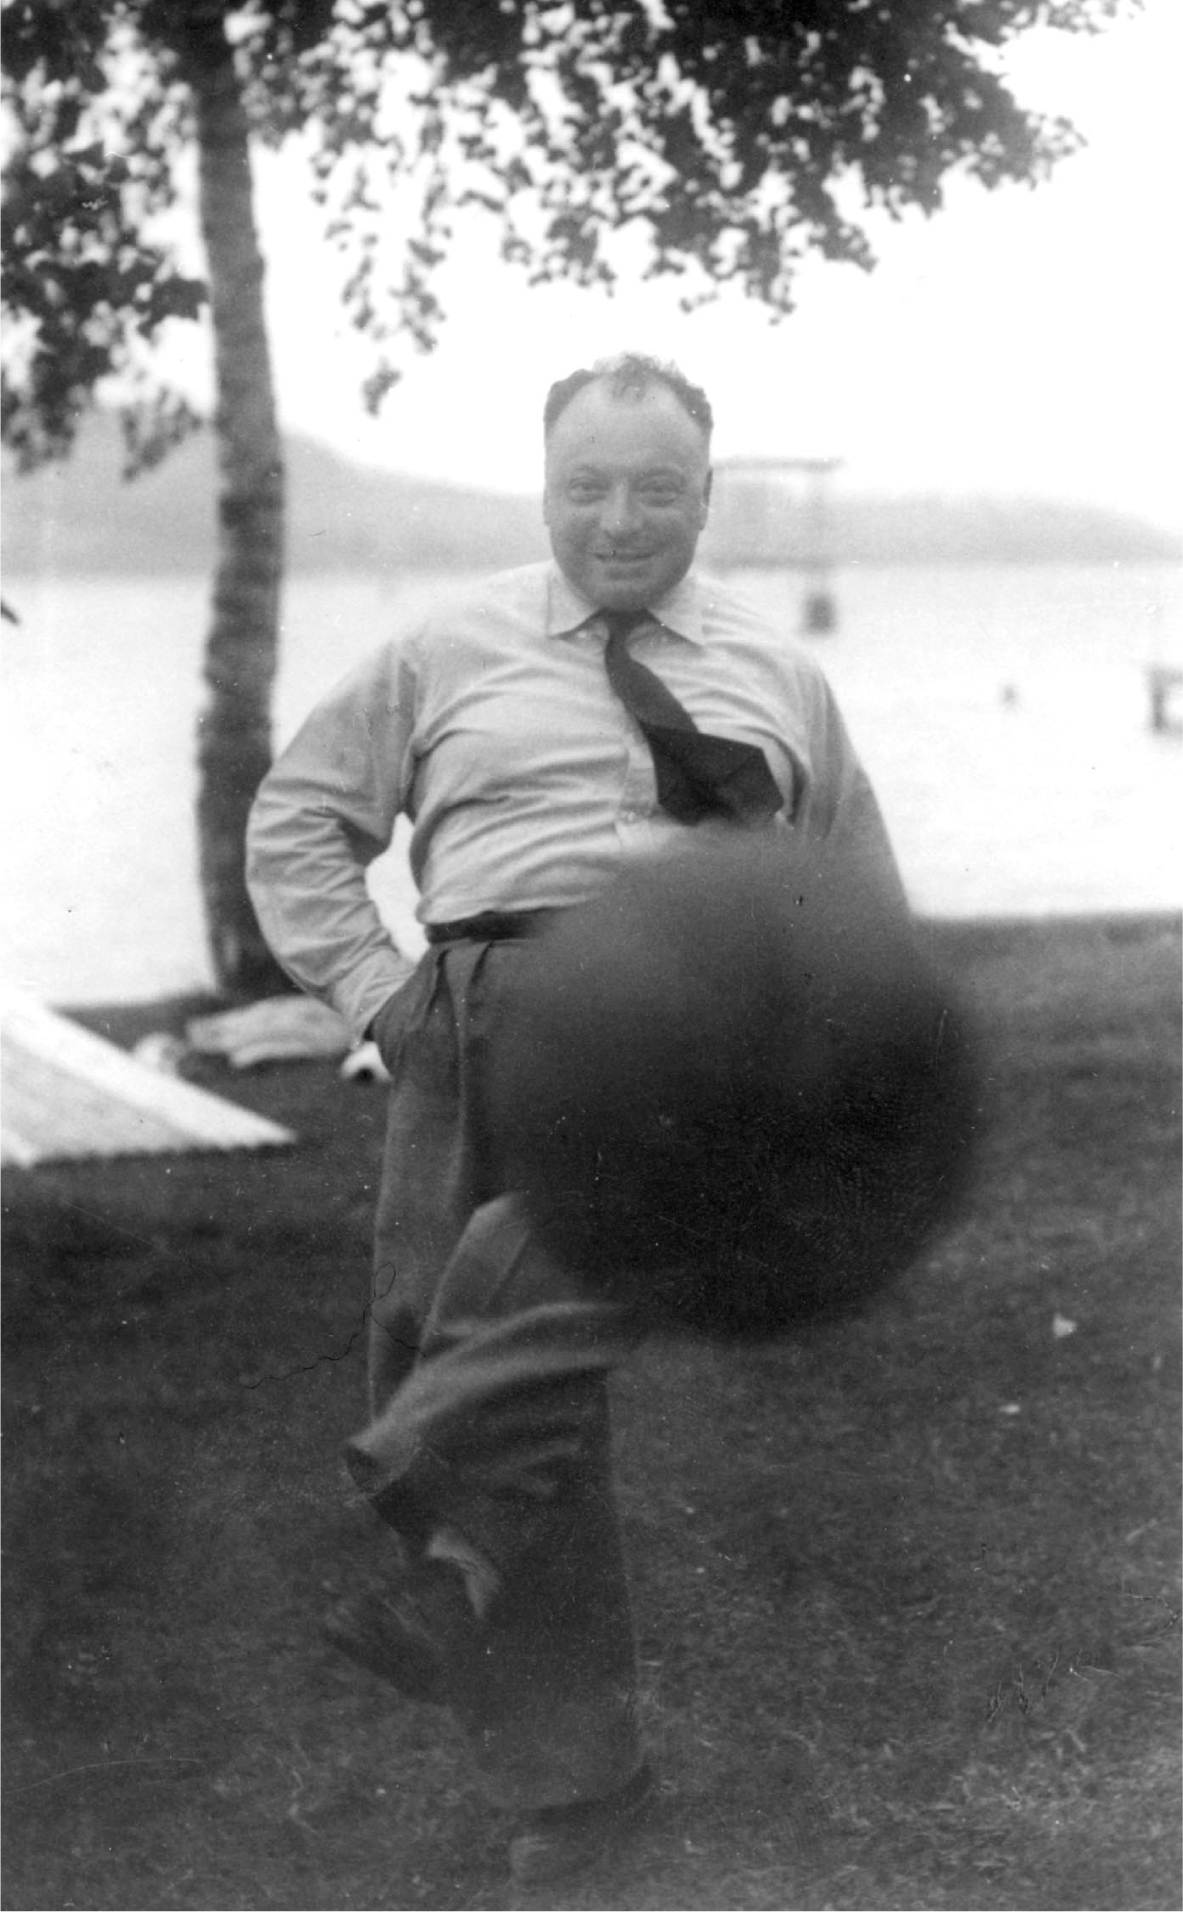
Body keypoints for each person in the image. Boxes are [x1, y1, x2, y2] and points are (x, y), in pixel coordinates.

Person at [246, 352, 904, 1888]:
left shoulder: (779, 676)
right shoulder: (444, 648)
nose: (620, 520)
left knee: (512, 1321)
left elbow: (856, 894)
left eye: (656, 488)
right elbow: (300, 819)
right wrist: (379, 992)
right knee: (468, 1343)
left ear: (706, 497)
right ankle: (564, 1753)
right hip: (476, 1020)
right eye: (586, 487)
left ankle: (470, 1594)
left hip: (683, 1023)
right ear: (543, 490)